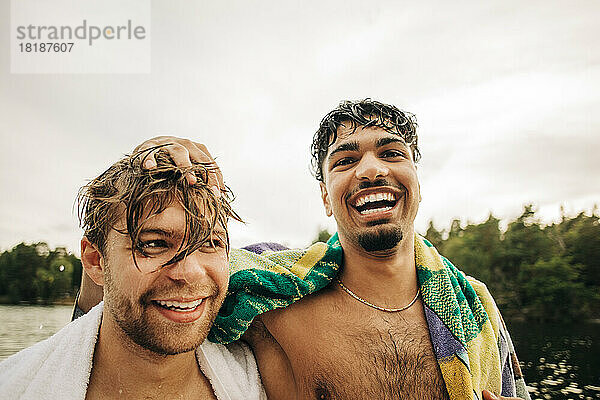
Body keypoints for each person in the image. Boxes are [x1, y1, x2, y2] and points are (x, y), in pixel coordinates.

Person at [78, 100, 531, 400]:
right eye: (346, 160)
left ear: (416, 177)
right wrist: (138, 182)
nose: (371, 170)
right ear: (324, 194)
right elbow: (111, 326)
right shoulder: (266, 292)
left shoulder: (474, 310)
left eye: (392, 153)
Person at [0, 149, 266, 400]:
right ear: (95, 261)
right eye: (153, 244)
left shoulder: (267, 381)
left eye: (210, 243)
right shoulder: (14, 387)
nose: (191, 273)